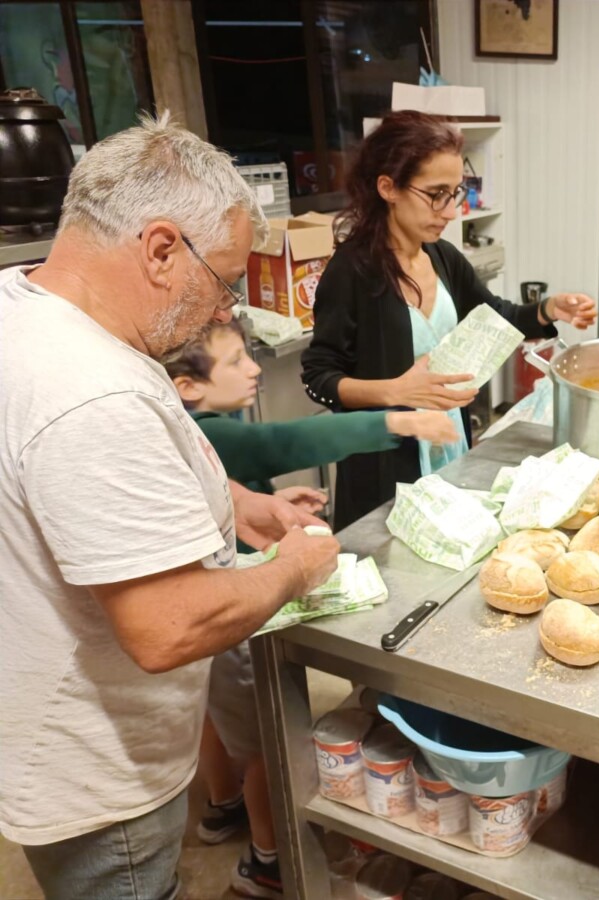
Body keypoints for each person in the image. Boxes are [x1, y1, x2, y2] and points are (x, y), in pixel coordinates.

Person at [0, 113, 341, 900]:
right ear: (160, 249)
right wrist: (293, 568)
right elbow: (167, 625)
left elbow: (91, 487)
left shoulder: (33, 309)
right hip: (96, 773)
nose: (223, 313)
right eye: (223, 282)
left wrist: (240, 507)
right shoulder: (92, 391)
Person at [162, 318, 457, 897]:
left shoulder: (177, 427)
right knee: (268, 749)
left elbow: (227, 487)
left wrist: (266, 501)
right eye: (236, 363)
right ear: (187, 386)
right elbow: (284, 442)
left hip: (208, 605)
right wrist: (400, 419)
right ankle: (267, 863)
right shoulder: (208, 432)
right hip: (236, 609)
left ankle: (222, 810)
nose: (254, 370)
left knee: (218, 720)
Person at [301, 110, 598, 531]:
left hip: (447, 447)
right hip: (384, 467)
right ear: (388, 187)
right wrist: (395, 390)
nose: (450, 211)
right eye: (436, 194)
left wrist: (549, 310)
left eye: (456, 193)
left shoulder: (442, 258)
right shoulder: (351, 272)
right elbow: (318, 377)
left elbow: (498, 316)